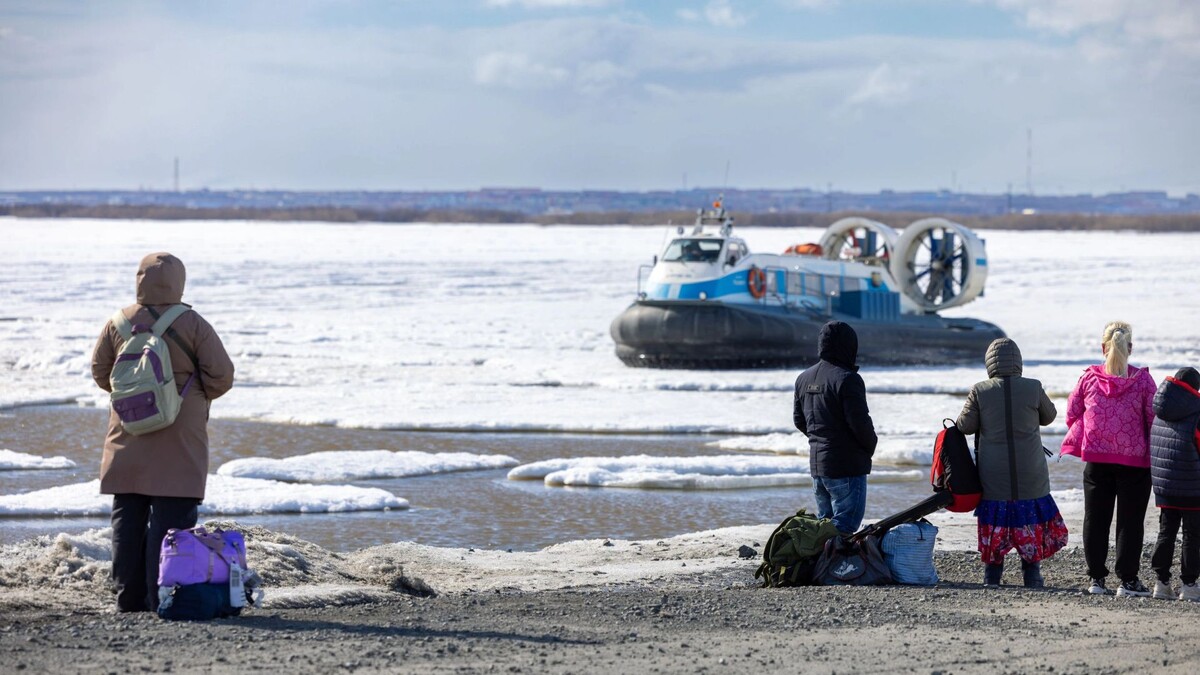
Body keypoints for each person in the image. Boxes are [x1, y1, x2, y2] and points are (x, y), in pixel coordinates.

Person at [91, 253, 235, 612]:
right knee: (173, 518)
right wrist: (185, 395)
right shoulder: (193, 323)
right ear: (179, 282)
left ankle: (128, 599)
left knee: (128, 513)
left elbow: (101, 373)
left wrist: (139, 397)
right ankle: (164, 598)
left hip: (128, 430)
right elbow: (222, 376)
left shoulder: (118, 322)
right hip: (179, 434)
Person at [956, 338, 1066, 588]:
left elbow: (964, 426)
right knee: (1030, 524)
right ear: (1018, 362)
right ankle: (1032, 575)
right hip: (1031, 472)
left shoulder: (980, 390)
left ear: (989, 363)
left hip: (993, 476)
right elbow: (1049, 417)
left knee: (995, 527)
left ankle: (991, 577)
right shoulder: (1033, 387)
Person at [1061, 320, 1157, 597]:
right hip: (1135, 462)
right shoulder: (1142, 380)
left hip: (1096, 458)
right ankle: (1127, 582)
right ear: (1130, 348)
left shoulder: (1088, 377)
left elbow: (1071, 413)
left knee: (1096, 518)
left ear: (1103, 347)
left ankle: (1096, 581)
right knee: (1130, 521)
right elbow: (1152, 419)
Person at [793, 321, 878, 533]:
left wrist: (820, 439)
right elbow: (860, 423)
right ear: (849, 346)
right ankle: (835, 566)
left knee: (825, 527)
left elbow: (799, 420)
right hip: (846, 466)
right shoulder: (848, 379)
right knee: (844, 528)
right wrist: (869, 447)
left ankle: (822, 565)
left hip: (818, 466)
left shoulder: (803, 378)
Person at [1148, 367, 1200, 601]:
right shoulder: (1196, 410)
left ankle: (1161, 583)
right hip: (1192, 484)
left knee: (1166, 532)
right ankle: (1189, 586)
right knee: (1192, 535)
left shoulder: (1161, 408)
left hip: (1165, 485)